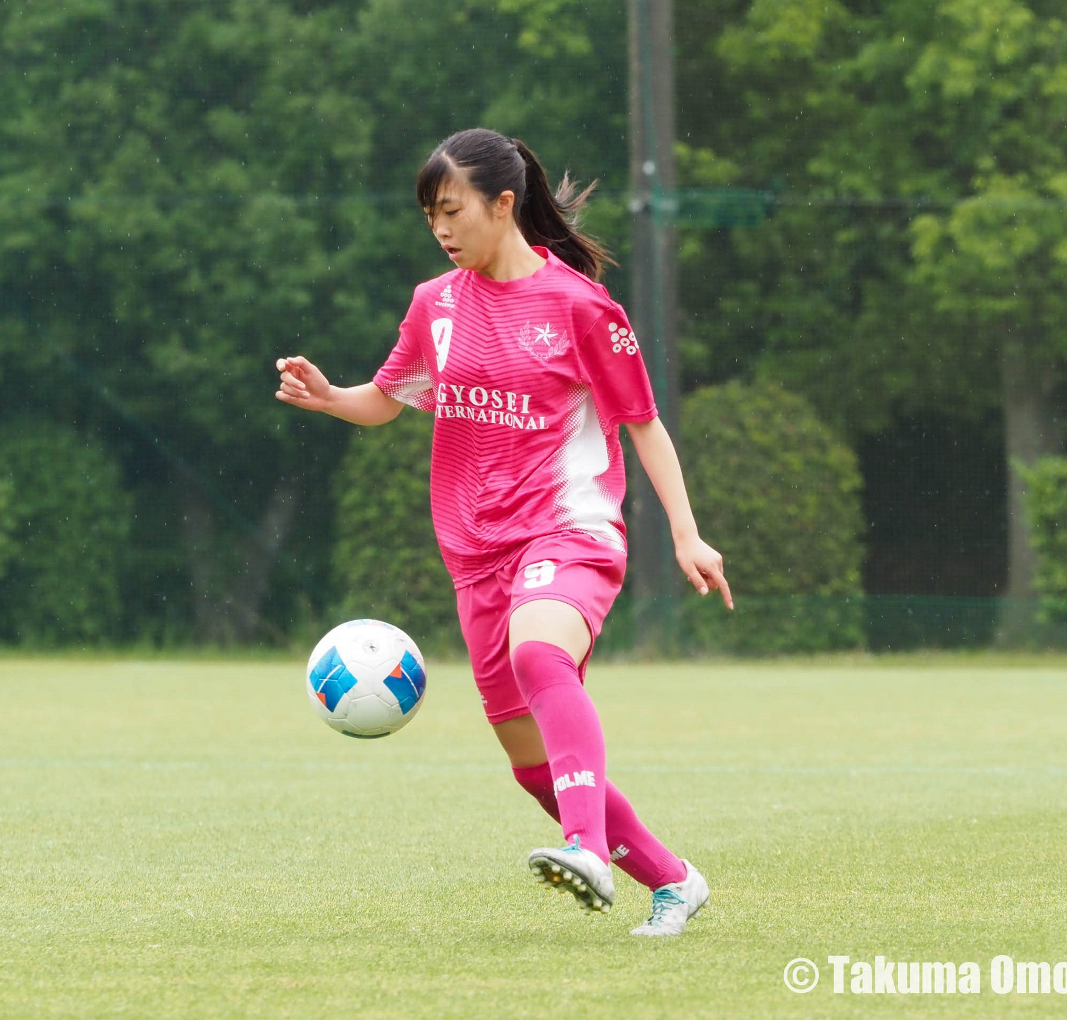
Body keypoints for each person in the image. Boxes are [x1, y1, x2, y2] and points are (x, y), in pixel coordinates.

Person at [275, 127, 733, 937]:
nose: (443, 230)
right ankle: (673, 880)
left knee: (539, 652)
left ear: (504, 203)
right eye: (430, 218)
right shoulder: (435, 303)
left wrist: (688, 535)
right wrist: (329, 396)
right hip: (474, 551)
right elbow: (390, 397)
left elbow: (644, 423)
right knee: (531, 767)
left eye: (452, 211)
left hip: (570, 529)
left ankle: (584, 846)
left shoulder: (582, 307)